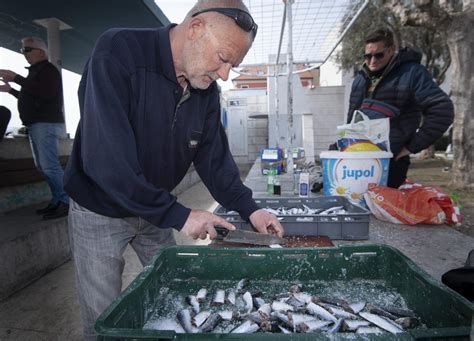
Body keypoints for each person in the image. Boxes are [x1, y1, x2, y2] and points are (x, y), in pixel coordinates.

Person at [63, 0, 283, 338]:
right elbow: (107, 163)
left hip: (153, 209)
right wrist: (183, 216)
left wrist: (251, 210)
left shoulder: (206, 90)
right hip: (99, 209)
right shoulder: (117, 53)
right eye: (223, 59)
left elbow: (214, 161)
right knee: (103, 315)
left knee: (179, 294)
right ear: (195, 28)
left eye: (233, 66)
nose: (224, 74)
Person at [347, 28, 454, 188]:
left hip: (391, 164)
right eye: (367, 56)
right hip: (357, 162)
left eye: (378, 55)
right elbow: (352, 118)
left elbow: (442, 110)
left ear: (391, 50)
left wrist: (411, 148)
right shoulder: (360, 79)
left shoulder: (412, 73)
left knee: (380, 212)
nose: (372, 61)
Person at [0, 37, 69, 219]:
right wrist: (11, 90)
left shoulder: (48, 70)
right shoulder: (37, 72)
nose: (24, 54)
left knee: (49, 166)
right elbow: (33, 96)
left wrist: (16, 78)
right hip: (37, 125)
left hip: (45, 124)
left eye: (27, 50)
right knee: (43, 166)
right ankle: (57, 201)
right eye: (23, 50)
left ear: (41, 52)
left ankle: (66, 202)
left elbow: (47, 93)